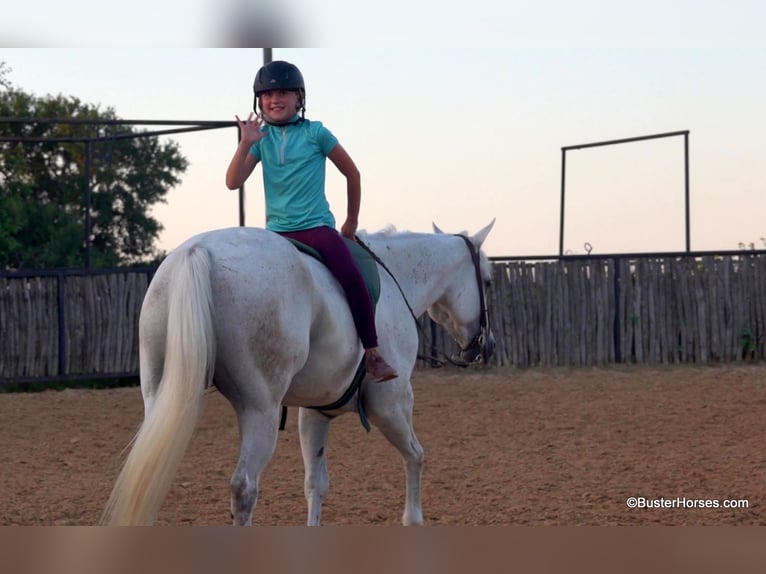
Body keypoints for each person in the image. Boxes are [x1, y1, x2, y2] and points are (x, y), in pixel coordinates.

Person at [225, 60, 398, 383]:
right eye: (267, 95)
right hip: (276, 234)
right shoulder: (261, 139)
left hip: (315, 229)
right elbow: (233, 181)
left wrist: (350, 221)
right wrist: (246, 142)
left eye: (283, 94)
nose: (275, 100)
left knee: (351, 274)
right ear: (258, 102)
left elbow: (352, 173)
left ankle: (373, 353)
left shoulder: (316, 133)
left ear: (299, 99)